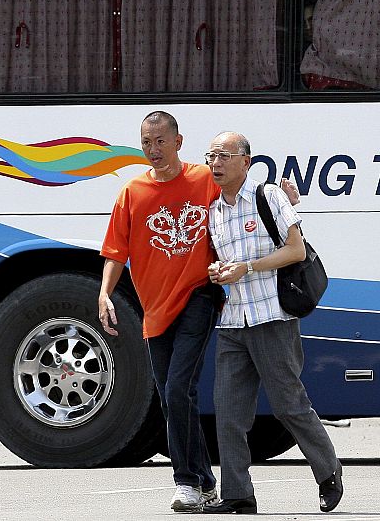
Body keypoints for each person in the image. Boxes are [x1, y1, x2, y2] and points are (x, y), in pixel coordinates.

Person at [203, 131, 343, 514]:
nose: (215, 163)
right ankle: (238, 495)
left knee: (288, 405)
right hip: (234, 322)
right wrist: (220, 271)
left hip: (272, 318)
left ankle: (329, 471)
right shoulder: (214, 211)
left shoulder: (269, 196)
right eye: (211, 156)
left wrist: (246, 267)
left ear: (245, 162)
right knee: (228, 412)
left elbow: (295, 250)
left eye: (224, 156)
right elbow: (226, 263)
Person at [98, 110, 223, 513]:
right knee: (175, 398)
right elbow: (116, 251)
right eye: (146, 142)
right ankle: (204, 481)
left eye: (160, 141)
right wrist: (104, 295)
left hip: (198, 296)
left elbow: (241, 207)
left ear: (179, 142)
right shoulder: (132, 192)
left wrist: (282, 199)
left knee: (176, 388)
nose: (153, 150)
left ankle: (186, 482)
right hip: (155, 308)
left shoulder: (204, 180)